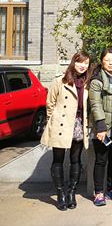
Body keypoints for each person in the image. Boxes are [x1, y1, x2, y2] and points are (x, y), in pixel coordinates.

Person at [41, 51, 93, 211]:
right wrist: (54, 121)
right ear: (73, 62)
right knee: (58, 159)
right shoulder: (59, 81)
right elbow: (50, 104)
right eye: (79, 62)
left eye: (86, 63)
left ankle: (71, 193)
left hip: (79, 124)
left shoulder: (88, 83)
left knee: (75, 160)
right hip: (61, 124)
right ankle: (60, 194)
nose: (82, 66)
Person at [89, 48, 112, 207]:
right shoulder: (97, 80)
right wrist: (100, 126)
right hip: (103, 127)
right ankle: (98, 192)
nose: (110, 63)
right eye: (107, 60)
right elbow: (95, 104)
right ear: (102, 61)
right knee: (101, 160)